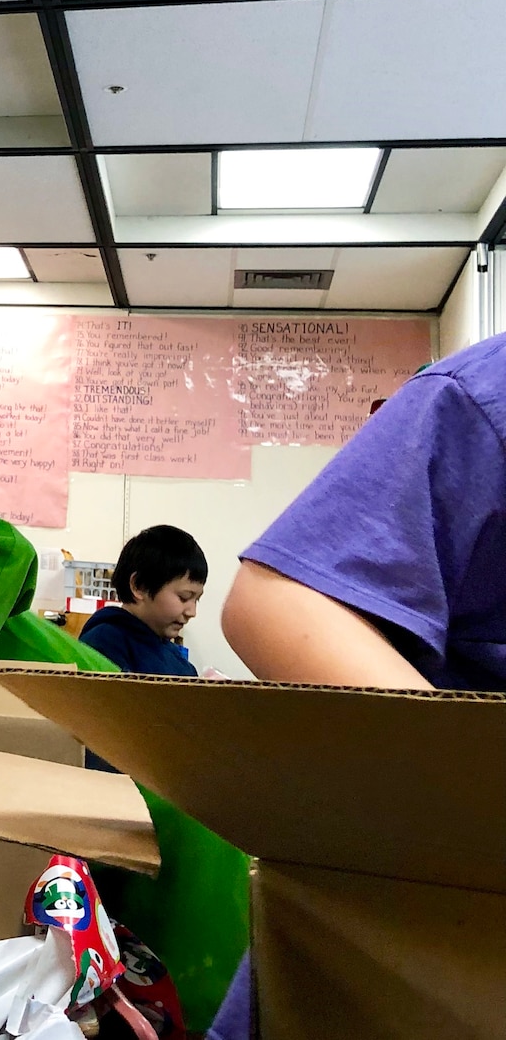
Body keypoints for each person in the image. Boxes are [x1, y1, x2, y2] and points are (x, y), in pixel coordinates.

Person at [203, 342, 498, 1040]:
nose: (187, 607)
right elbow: (281, 601)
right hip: (429, 927)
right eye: (180, 595)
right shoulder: (482, 396)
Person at [78, 525, 208, 677]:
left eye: (196, 600)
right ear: (140, 586)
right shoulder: (103, 642)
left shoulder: (176, 658)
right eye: (184, 597)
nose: (192, 612)